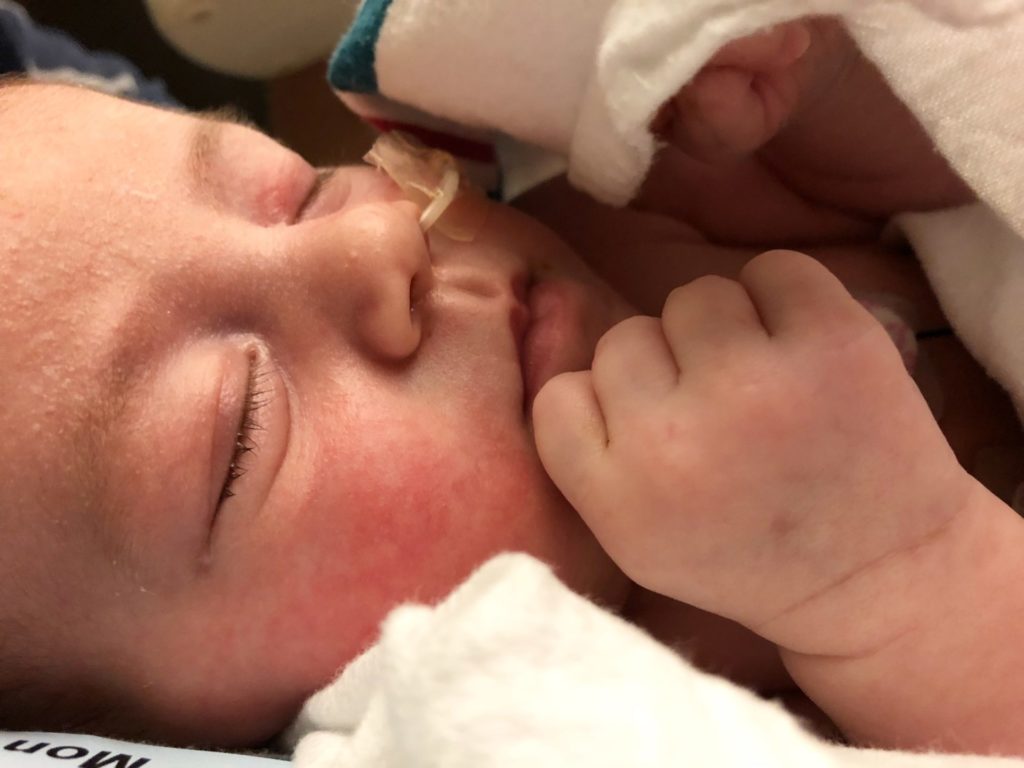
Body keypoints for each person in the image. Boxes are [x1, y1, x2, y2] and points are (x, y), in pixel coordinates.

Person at [0, 18, 1021, 757]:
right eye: (242, 427)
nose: (379, 240)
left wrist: (807, 87)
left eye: (300, 191)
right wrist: (895, 569)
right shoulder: (574, 725)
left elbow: (945, 138)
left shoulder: (633, 240)